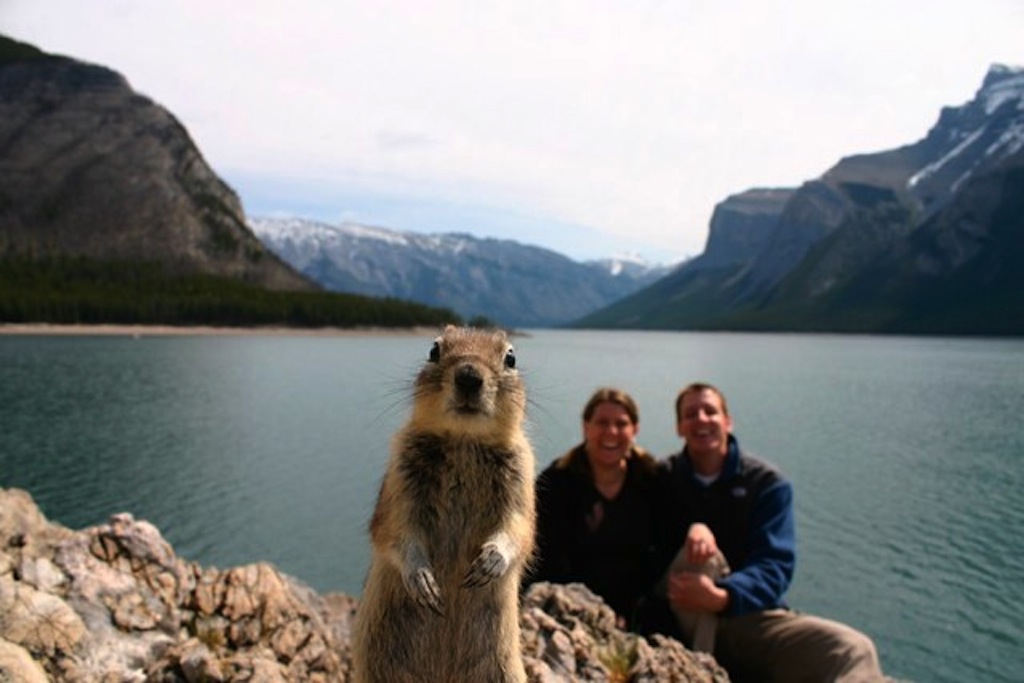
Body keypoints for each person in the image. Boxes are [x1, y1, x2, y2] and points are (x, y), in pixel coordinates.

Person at [658, 381, 884, 682]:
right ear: (679, 427)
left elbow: (774, 565)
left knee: (853, 649)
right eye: (691, 414)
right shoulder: (660, 478)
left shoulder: (766, 484)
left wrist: (723, 596)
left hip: (745, 618)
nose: (701, 419)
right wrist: (695, 531)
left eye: (710, 411)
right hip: (678, 613)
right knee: (700, 559)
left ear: (727, 421)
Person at [527, 387, 665, 629]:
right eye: (602, 422)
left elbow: (667, 548)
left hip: (640, 608)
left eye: (621, 424)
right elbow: (545, 559)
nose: (611, 432)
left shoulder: (652, 479)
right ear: (585, 427)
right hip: (572, 608)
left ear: (635, 430)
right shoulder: (558, 483)